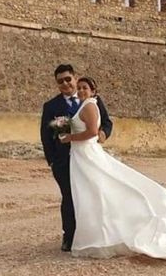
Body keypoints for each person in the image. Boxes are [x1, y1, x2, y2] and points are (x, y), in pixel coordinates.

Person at [59, 77, 166, 264]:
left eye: (84, 88)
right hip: (81, 157)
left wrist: (69, 137)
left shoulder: (89, 106)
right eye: (79, 88)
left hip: (87, 156)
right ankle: (100, 235)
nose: (80, 91)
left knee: (99, 192)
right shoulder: (84, 105)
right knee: (91, 195)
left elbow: (93, 133)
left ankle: (108, 235)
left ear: (93, 91)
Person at [40, 65, 113, 252]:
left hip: (88, 158)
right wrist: (53, 161)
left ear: (74, 78)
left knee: (93, 195)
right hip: (64, 162)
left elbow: (105, 122)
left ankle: (95, 234)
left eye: (68, 79)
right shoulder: (52, 106)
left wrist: (103, 134)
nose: (65, 84)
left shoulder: (91, 99)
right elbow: (46, 136)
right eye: (60, 81)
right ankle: (70, 236)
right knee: (70, 197)